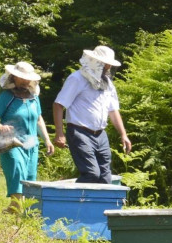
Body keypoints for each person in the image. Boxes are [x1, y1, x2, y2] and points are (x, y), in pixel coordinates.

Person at [53, 45, 132, 184]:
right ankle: (74, 202)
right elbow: (58, 105)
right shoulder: (77, 78)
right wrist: (59, 133)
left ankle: (101, 206)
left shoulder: (108, 84)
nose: (108, 69)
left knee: (105, 178)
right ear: (97, 63)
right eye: (106, 66)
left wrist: (123, 135)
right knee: (91, 174)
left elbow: (113, 110)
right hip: (79, 132)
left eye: (109, 66)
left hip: (101, 134)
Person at [0, 61, 54, 212]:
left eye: (27, 78)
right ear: (13, 78)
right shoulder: (6, 97)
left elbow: (38, 119)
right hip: (11, 142)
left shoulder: (34, 97)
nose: (24, 81)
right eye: (21, 78)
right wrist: (0, 127)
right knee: (16, 170)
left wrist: (47, 140)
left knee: (30, 177)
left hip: (31, 143)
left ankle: (24, 210)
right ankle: (17, 207)